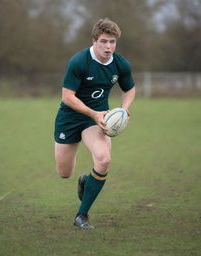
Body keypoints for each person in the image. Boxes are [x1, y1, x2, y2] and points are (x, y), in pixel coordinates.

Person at [54, 18, 136, 229]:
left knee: (103, 159)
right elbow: (67, 97)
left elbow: (129, 89)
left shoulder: (120, 64)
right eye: (104, 41)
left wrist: (124, 110)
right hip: (71, 118)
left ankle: (82, 215)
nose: (109, 47)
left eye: (112, 42)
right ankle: (86, 181)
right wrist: (93, 113)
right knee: (64, 173)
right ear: (94, 41)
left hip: (98, 120)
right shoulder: (79, 61)